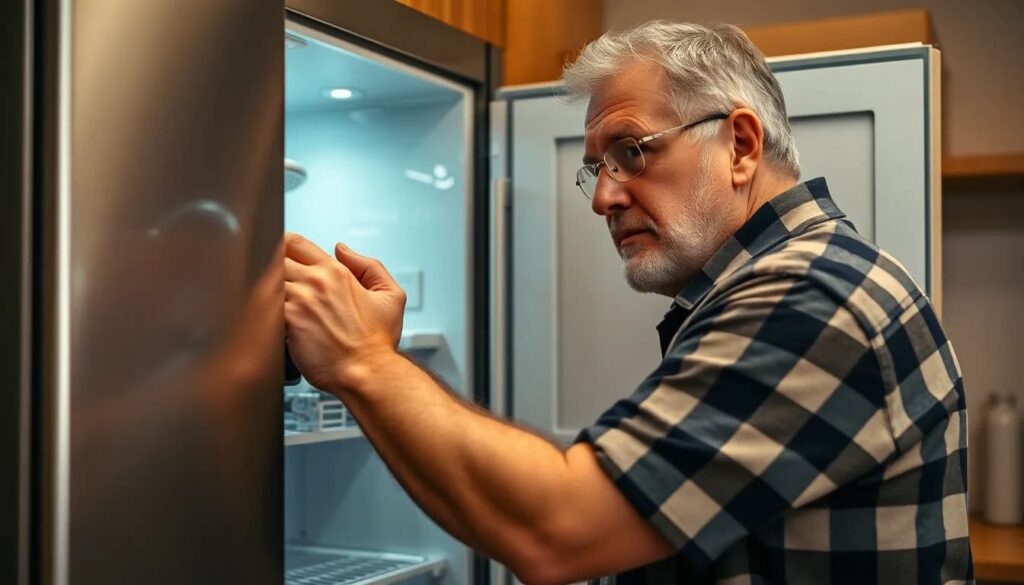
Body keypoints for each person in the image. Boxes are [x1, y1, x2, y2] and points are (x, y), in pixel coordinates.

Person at [283, 21, 973, 585]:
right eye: (597, 165)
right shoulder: (785, 284)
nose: (602, 197)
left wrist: (363, 362)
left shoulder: (812, 296)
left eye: (632, 152)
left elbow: (554, 529)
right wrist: (372, 366)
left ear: (740, 144)